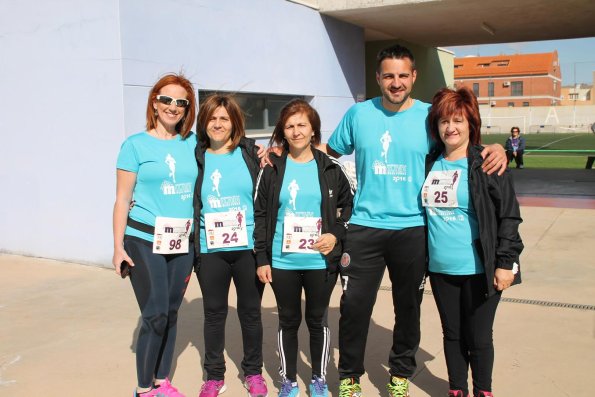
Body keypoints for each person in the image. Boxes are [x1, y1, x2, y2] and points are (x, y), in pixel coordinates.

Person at [319, 44, 508, 397]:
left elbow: (461, 142)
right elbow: (327, 153)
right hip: (364, 227)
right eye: (388, 75)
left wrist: (497, 149)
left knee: (408, 309)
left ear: (413, 76)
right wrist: (283, 148)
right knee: (355, 306)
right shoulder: (358, 115)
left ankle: (400, 373)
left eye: (402, 75)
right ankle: (350, 377)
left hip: (414, 229)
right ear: (378, 78)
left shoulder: (428, 117)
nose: (396, 82)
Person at [424, 87, 523, 397]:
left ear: (470, 123)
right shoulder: (429, 162)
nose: (450, 128)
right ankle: (457, 390)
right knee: (452, 335)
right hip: (441, 269)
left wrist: (505, 263)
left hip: (481, 268)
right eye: (443, 121)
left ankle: (482, 391)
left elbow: (509, 216)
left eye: (457, 120)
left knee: (479, 338)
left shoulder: (487, 162)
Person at [254, 99, 354, 397]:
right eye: (289, 126)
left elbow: (350, 207)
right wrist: (262, 257)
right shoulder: (272, 169)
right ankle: (288, 380)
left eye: (302, 125)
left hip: (320, 261)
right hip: (282, 260)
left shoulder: (331, 168)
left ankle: (319, 378)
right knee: (287, 319)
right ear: (282, 132)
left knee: (317, 319)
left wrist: (335, 235)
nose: (296, 131)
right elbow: (260, 214)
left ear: (313, 131)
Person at [112, 73, 198, 397]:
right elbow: (122, 198)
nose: (173, 107)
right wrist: (118, 246)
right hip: (143, 238)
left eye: (181, 102)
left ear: (187, 108)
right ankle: (144, 389)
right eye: (167, 99)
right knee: (155, 312)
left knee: (172, 312)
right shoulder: (134, 144)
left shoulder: (192, 142)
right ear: (154, 101)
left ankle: (163, 382)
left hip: (181, 239)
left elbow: (227, 150)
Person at [193, 94, 268, 397]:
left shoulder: (250, 153)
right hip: (210, 249)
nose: (218, 124)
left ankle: (253, 372)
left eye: (224, 118)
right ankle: (214, 376)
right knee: (214, 314)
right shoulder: (195, 156)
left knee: (250, 313)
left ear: (234, 122)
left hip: (247, 248)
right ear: (204, 122)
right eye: (212, 118)